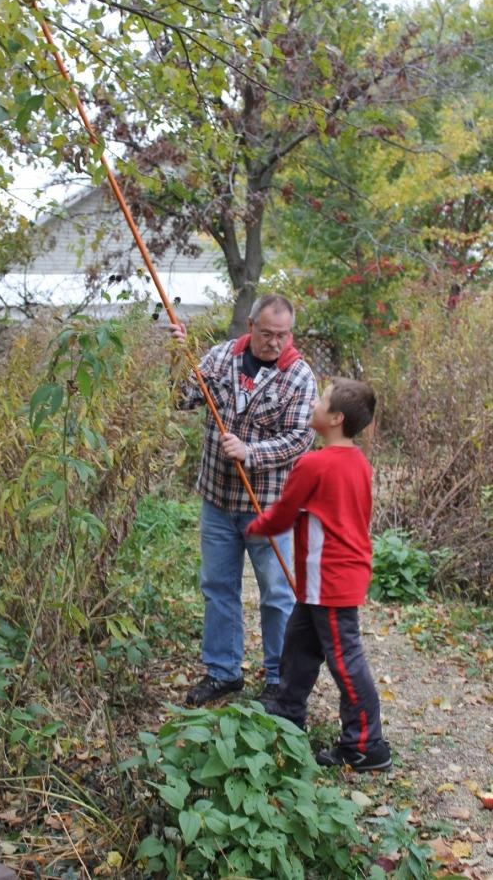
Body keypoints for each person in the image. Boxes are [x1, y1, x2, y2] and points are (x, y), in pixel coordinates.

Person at [169, 294, 317, 706]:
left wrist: (251, 453)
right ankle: (222, 673)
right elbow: (183, 399)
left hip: (268, 506)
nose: (274, 342)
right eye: (267, 334)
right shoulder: (220, 358)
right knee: (218, 588)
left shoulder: (299, 377)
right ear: (250, 327)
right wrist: (179, 359)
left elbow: (300, 439)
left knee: (276, 594)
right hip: (218, 500)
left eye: (282, 335)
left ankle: (279, 680)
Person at [246, 377, 392, 772]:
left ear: (336, 418)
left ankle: (366, 744)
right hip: (326, 579)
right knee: (299, 645)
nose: (314, 402)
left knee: (345, 661)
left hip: (330, 578)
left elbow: (285, 510)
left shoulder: (314, 463)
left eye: (321, 399)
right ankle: (288, 711)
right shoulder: (357, 461)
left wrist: (257, 526)